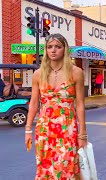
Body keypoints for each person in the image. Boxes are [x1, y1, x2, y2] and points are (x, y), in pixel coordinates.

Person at [25, 33, 88, 179]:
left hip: (67, 128)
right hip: (44, 129)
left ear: (65, 49)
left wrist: (83, 134)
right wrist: (28, 129)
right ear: (46, 50)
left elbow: (80, 104)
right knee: (45, 165)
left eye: (58, 47)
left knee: (66, 165)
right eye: (49, 47)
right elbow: (34, 103)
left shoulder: (76, 72)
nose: (53, 50)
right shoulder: (38, 74)